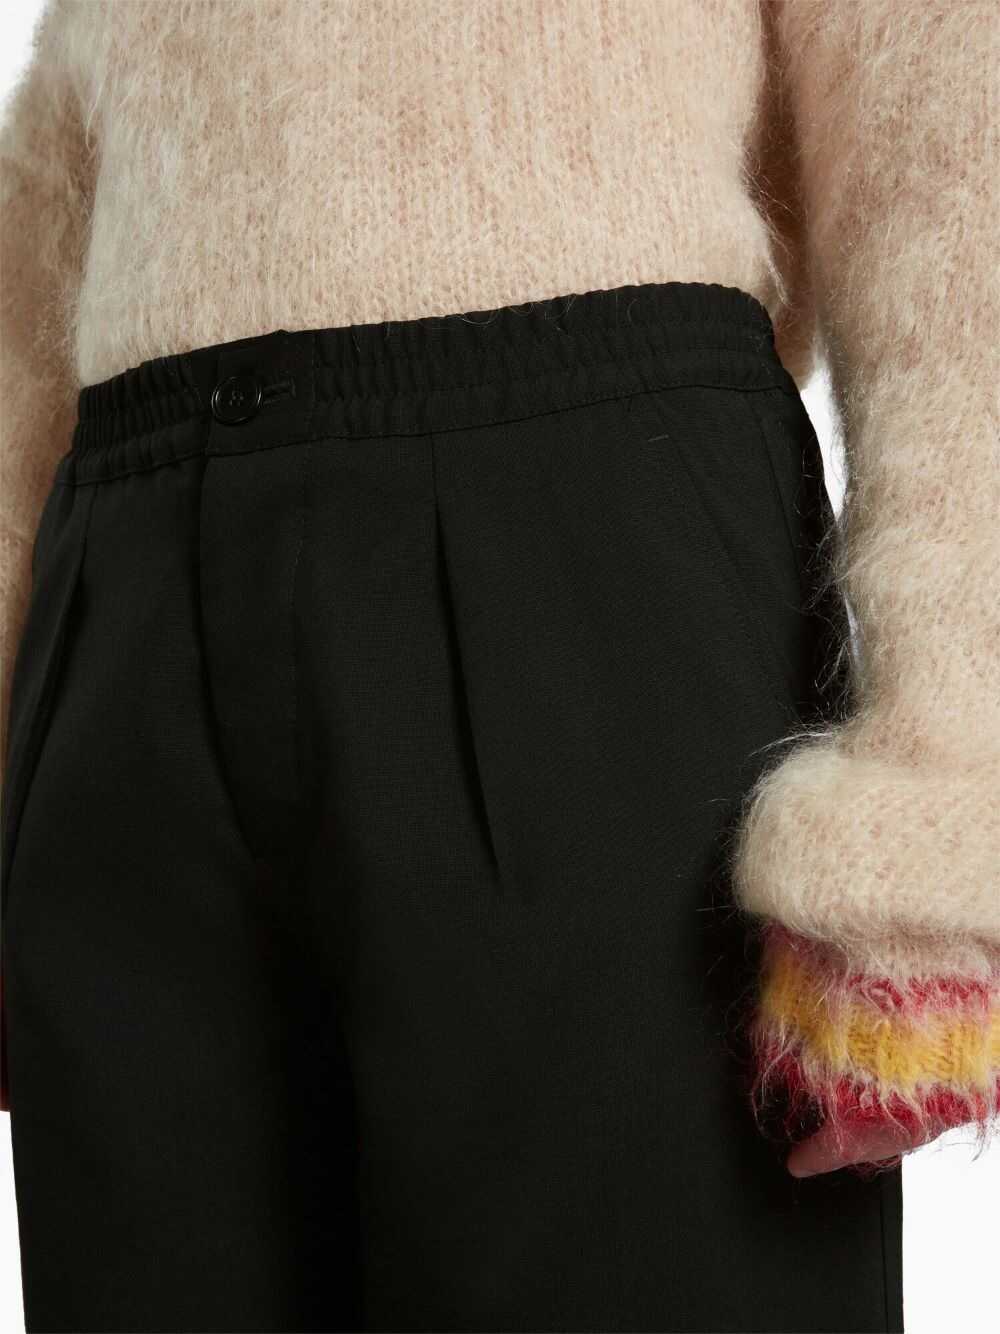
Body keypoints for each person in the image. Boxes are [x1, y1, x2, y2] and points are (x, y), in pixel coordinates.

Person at [0, 1, 996, 1330]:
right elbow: (50, 206)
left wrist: (950, 787)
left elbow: (944, 135)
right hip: (121, 578)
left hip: (584, 569)